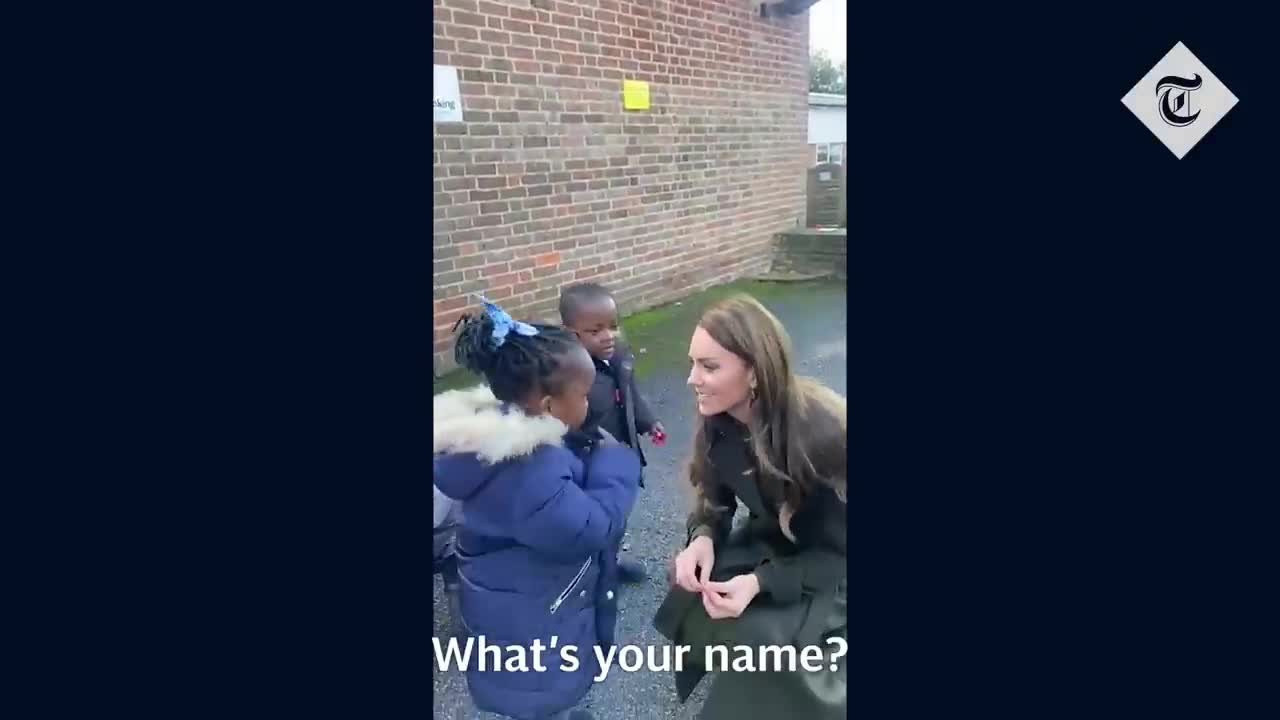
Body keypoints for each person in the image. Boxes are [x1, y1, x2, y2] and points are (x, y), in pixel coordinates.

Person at [434, 299, 642, 720]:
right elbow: (590, 527)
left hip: (509, 604)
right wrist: (616, 463)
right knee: (539, 696)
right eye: (583, 395)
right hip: (537, 619)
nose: (589, 404)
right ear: (547, 406)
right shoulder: (529, 470)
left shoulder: (491, 443)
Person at [652, 294, 848, 720]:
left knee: (765, 647)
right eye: (692, 363)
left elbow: (839, 557)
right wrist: (701, 537)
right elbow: (713, 496)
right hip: (778, 541)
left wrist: (760, 582)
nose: (692, 379)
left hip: (832, 567)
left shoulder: (823, 436)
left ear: (755, 371)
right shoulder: (719, 416)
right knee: (692, 589)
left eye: (709, 366)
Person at [558, 282, 664, 583]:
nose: (608, 336)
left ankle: (609, 565)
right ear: (571, 333)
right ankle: (584, 576)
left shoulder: (618, 354)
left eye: (613, 326)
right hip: (591, 465)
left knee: (618, 517)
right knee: (590, 523)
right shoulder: (570, 374)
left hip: (622, 455)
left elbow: (630, 391)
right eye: (595, 331)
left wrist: (647, 421)